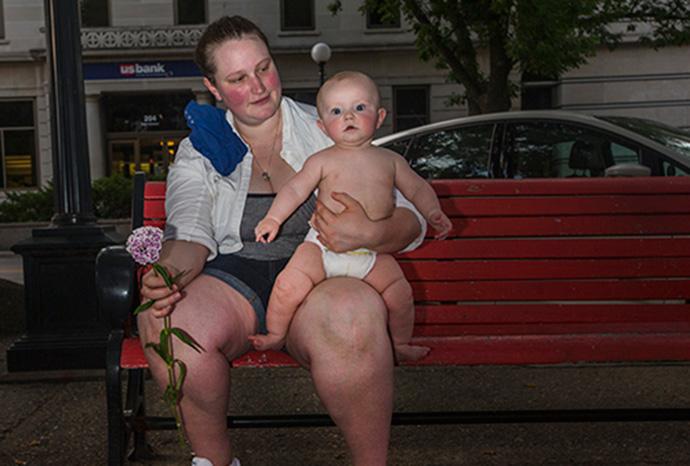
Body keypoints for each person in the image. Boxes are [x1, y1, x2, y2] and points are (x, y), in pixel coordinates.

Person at [136, 15, 427, 466]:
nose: (257, 86)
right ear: (213, 88)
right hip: (234, 276)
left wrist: (372, 232)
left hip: (321, 273)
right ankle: (214, 461)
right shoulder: (200, 148)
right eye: (237, 78)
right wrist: (166, 274)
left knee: (354, 313)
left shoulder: (326, 124)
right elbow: (190, 232)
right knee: (170, 322)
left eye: (264, 68)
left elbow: (411, 219)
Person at [251, 71, 452, 361]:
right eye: (337, 111)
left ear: (380, 116)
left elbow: (418, 189)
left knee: (400, 293)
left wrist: (433, 212)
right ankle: (276, 334)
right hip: (320, 247)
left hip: (372, 252)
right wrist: (273, 219)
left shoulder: (391, 161)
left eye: (359, 108)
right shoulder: (321, 160)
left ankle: (400, 343)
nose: (348, 117)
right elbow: (294, 190)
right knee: (287, 285)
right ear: (322, 126)